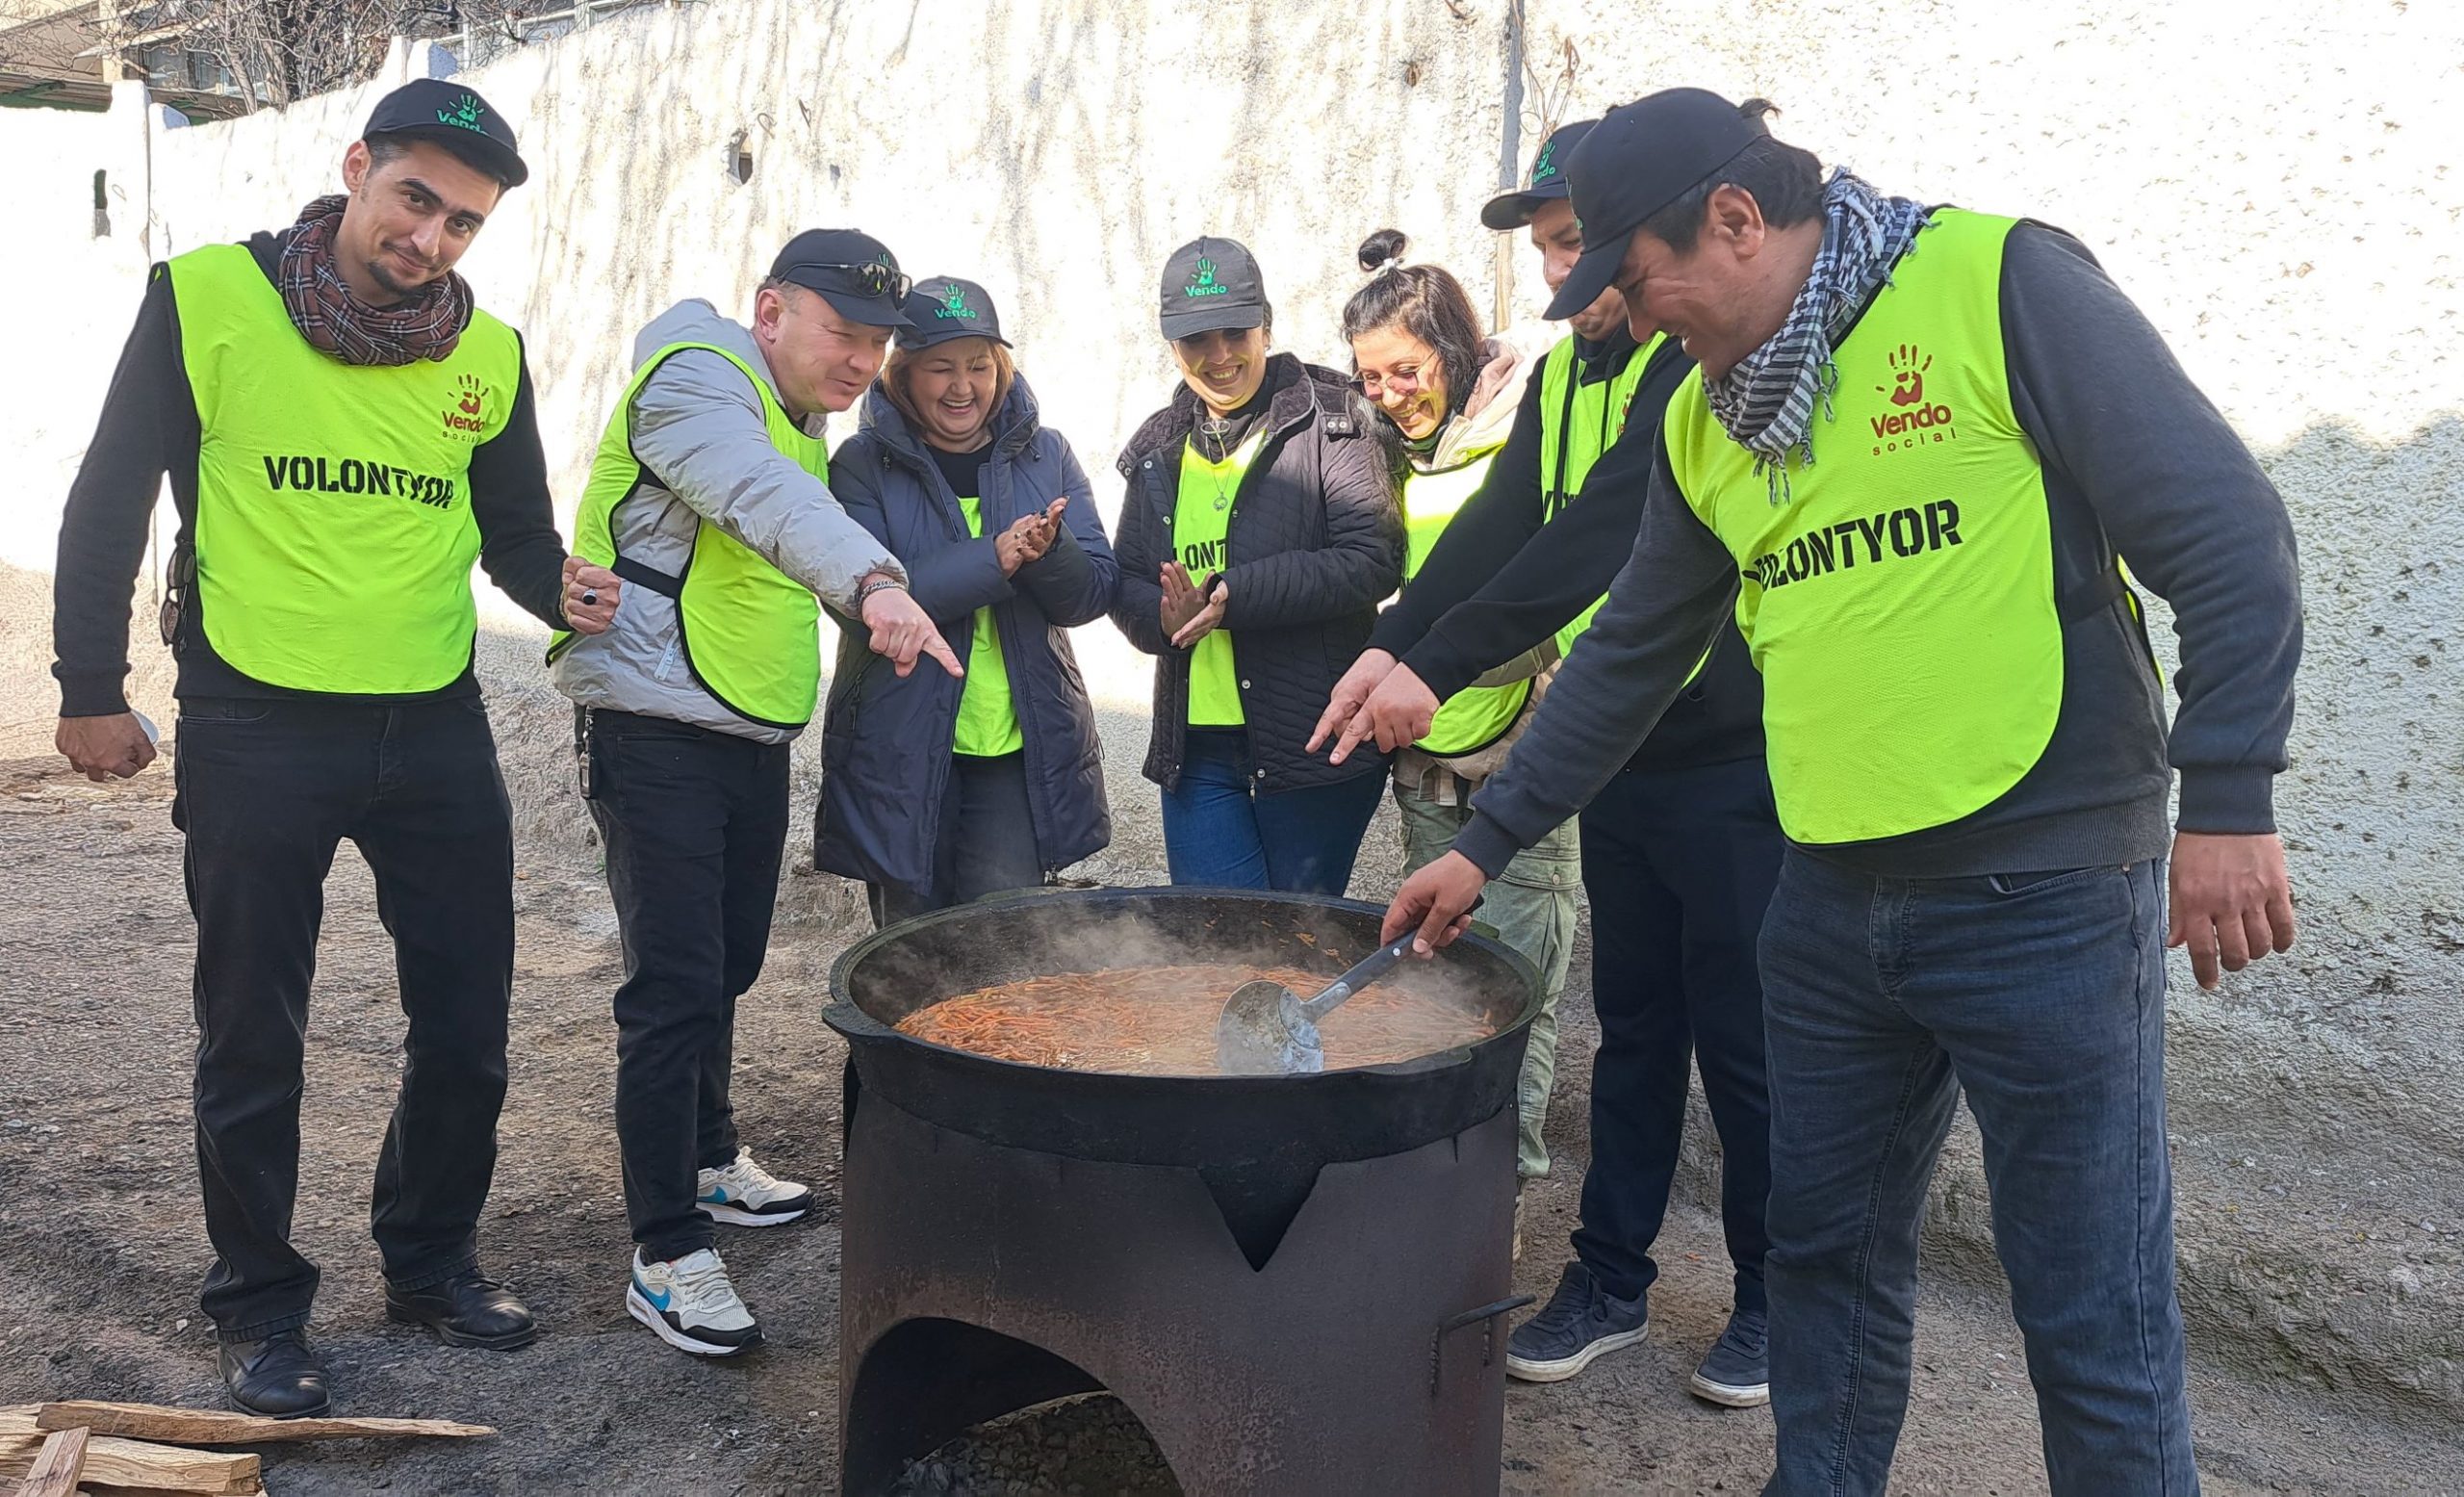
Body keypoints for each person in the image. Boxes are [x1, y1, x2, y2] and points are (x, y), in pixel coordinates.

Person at [1387, 89, 2302, 1495]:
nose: (1625, 317)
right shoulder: (1706, 420)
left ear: (1739, 218)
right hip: (1827, 898)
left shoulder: (1996, 283)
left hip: (2045, 889)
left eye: (1635, 278)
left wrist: (2229, 792)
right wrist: (1490, 837)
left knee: (2086, 1301)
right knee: (1822, 1259)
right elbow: (1631, 653)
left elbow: (2227, 528)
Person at [49, 81, 607, 1417]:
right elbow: (113, 488)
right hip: (254, 720)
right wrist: (89, 682)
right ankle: (259, 1305)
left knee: (468, 1023)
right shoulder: (209, 300)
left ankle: (428, 1258)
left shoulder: (488, 353)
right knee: (253, 1030)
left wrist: (562, 587)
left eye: (463, 224)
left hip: (432, 718)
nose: (431, 240)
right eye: (415, 198)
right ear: (357, 168)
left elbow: (512, 526)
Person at [1322, 120, 1781, 1406]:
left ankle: (1775, 1296)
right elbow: (1509, 513)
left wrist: (1436, 659)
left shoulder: (1690, 368)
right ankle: (1612, 1281)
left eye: (1582, 244)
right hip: (1615, 756)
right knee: (1632, 1031)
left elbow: (1606, 532)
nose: (1565, 277)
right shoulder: (1572, 366)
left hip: (1729, 753)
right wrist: (1396, 640)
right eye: (1547, 250)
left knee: (1745, 1044)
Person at [551, 230, 959, 1359]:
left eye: (878, 342)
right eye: (844, 334)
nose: (862, 361)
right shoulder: (696, 377)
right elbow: (761, 497)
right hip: (649, 724)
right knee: (674, 985)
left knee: (725, 962)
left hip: (738, 724)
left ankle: (709, 1157)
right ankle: (665, 1249)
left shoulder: (795, 408)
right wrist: (875, 583)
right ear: (771, 309)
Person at [1334, 230, 1581, 1238]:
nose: (1390, 392)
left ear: (1456, 347)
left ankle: (1497, 1206)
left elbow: (1558, 596)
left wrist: (1449, 675)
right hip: (1430, 768)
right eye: (1371, 377)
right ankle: (1438, 1194)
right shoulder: (1398, 452)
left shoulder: (1530, 427)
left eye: (1406, 369)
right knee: (1434, 982)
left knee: (1517, 990)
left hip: (1521, 756)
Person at [819, 275, 1119, 925]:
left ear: (1001, 366)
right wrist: (997, 556)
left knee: (1003, 948)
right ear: (904, 373)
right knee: (908, 952)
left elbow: (1093, 591)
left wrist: (1049, 552)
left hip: (1015, 751)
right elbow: (860, 597)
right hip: (900, 749)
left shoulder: (1047, 454)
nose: (963, 387)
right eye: (940, 368)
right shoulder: (861, 465)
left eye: (979, 365)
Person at [1108, 236, 1402, 894]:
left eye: (1234, 332)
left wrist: (1231, 596)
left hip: (1313, 741)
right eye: (1195, 340)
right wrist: (1162, 617)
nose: (1218, 356)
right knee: (1214, 947)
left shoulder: (1335, 420)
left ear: (1265, 325)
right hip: (1198, 750)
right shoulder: (1159, 445)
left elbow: (1373, 559)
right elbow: (1124, 579)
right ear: (1172, 347)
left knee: (1298, 945)